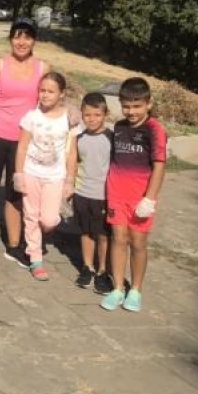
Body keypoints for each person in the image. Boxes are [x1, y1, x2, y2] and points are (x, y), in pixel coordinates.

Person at [0, 17, 48, 268]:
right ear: (11, 39)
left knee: (16, 194)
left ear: (34, 40)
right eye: (17, 36)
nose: (22, 41)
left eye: (27, 36)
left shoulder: (42, 69)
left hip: (24, 142)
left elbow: (49, 104)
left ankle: (14, 247)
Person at [100, 77, 167, 312]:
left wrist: (150, 199)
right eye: (126, 106)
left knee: (138, 242)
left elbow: (159, 166)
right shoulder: (119, 127)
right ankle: (118, 288)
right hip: (117, 193)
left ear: (148, 103)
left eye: (137, 106)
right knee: (118, 239)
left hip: (141, 198)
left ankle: (136, 289)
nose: (131, 111)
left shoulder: (155, 130)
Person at [14, 72, 80, 281]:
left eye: (51, 91)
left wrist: (70, 180)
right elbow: (22, 147)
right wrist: (18, 174)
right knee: (31, 216)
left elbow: (72, 152)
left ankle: (41, 235)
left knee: (49, 220)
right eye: (42, 90)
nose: (45, 95)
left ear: (61, 94)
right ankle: (35, 259)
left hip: (55, 176)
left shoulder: (69, 120)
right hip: (31, 172)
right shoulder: (31, 117)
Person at [73, 92, 114, 294]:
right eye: (87, 115)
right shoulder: (78, 139)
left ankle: (103, 270)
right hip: (82, 193)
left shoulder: (111, 138)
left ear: (105, 114)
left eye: (97, 115)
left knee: (103, 235)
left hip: (103, 196)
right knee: (86, 231)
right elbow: (73, 164)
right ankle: (87, 267)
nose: (92, 119)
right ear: (82, 114)